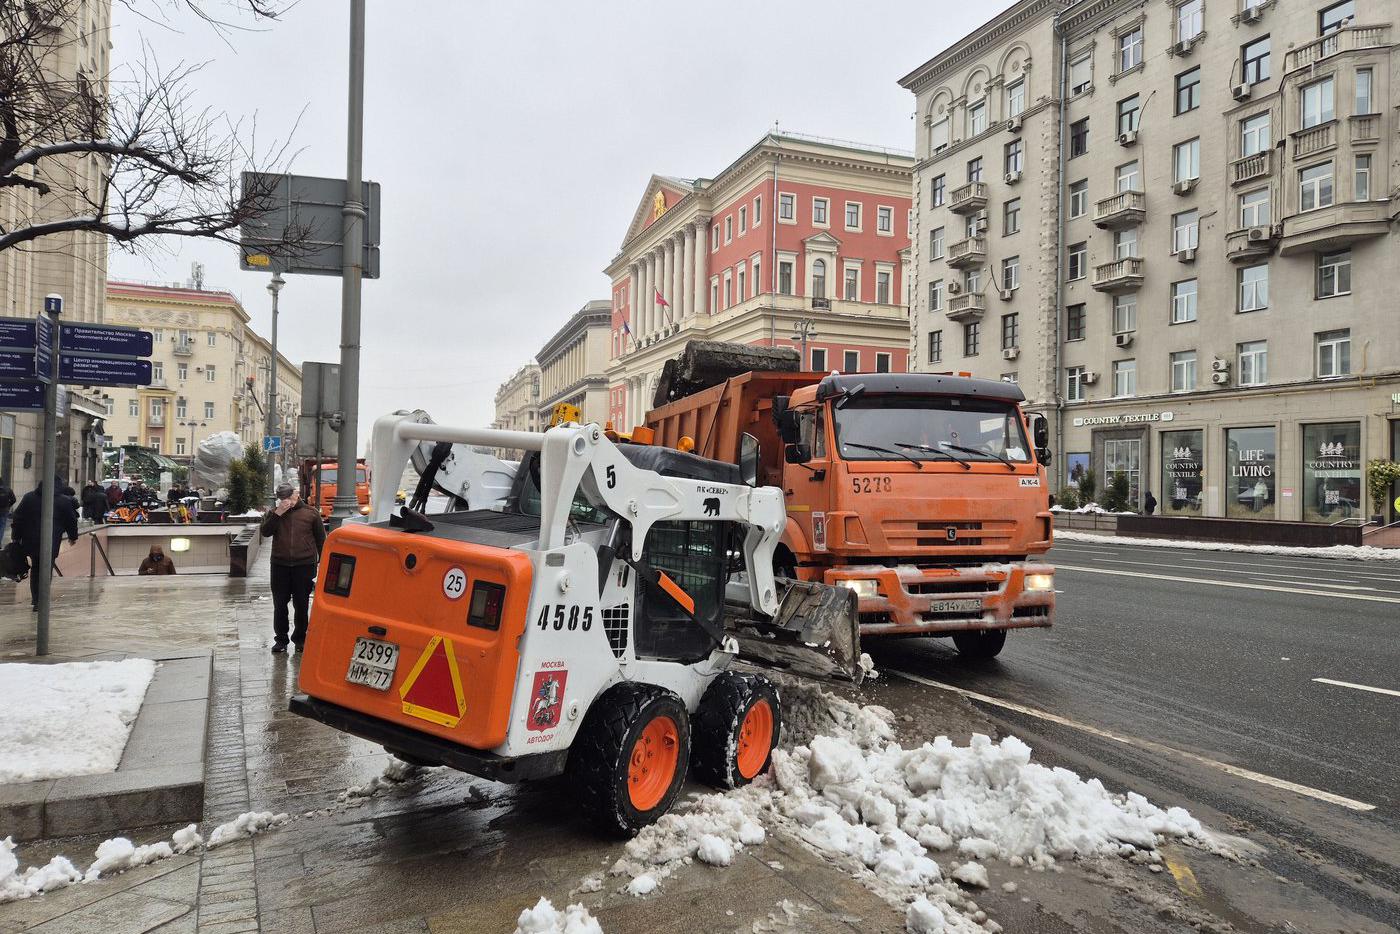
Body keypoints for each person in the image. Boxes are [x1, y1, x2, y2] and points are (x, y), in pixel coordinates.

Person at [259, 482, 325, 653]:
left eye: (289, 497)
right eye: (283, 498)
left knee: (301, 605)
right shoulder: (275, 513)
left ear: (296, 494)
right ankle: (281, 640)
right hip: (280, 565)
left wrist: (323, 562)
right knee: (280, 604)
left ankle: (300, 639)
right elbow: (265, 532)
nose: (287, 501)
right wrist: (278, 514)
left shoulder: (311, 513)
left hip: (304, 565)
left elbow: (321, 540)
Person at [10, 481, 79, 610]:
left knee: (36, 569)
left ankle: (36, 600)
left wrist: (16, 536)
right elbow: (71, 520)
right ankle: (42, 599)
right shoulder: (63, 501)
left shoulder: (29, 498)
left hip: (30, 541)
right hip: (51, 541)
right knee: (46, 569)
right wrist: (73, 536)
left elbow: (18, 517)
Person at [0, 482, 15, 546]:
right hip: (4, 511)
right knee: (2, 527)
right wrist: (8, 506)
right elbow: (14, 499)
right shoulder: (8, 489)